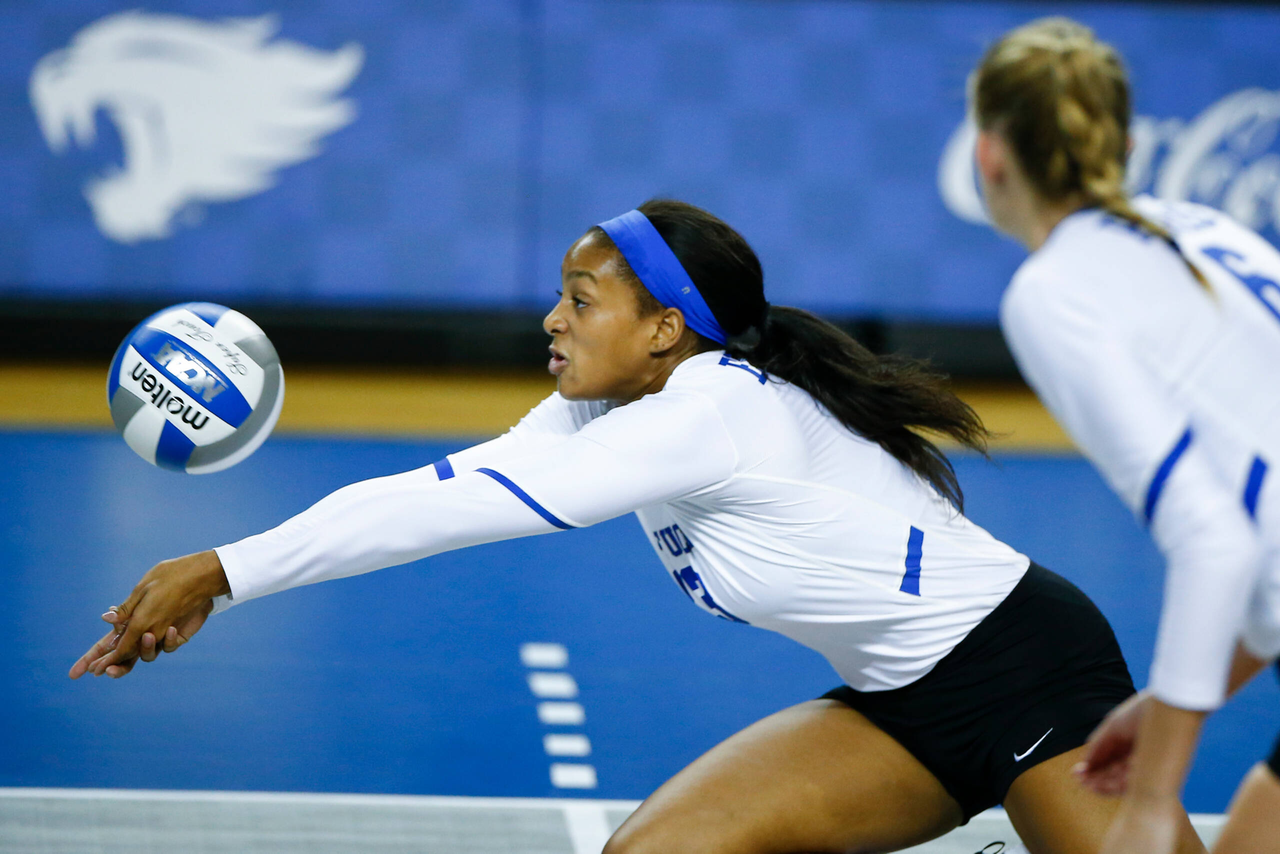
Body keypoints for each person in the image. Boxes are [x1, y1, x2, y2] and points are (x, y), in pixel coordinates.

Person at [72, 200, 1206, 854]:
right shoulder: (602, 406)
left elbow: (457, 514)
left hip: (1034, 676)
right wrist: (222, 568)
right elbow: (434, 482)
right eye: (560, 292)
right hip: (900, 701)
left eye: (580, 296)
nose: (552, 316)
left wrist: (222, 567)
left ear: (665, 328)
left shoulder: (710, 410)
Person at [970, 17, 1280, 854]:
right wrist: (1171, 705)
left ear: (989, 154)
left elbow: (1219, 543)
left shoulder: (1054, 291)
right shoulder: (1200, 229)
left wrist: (1150, 802)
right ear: (1127, 140)